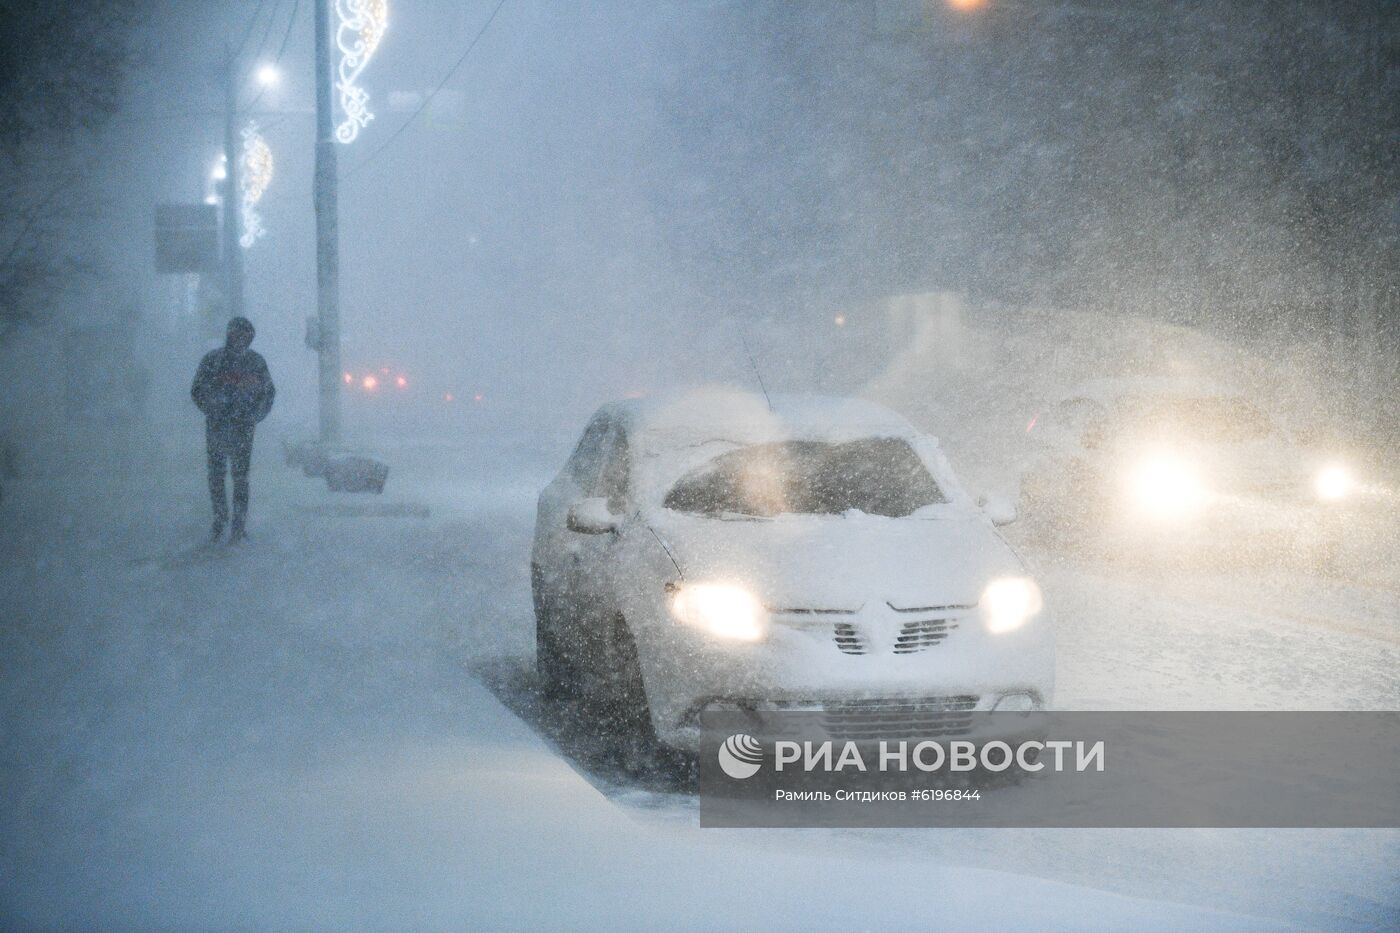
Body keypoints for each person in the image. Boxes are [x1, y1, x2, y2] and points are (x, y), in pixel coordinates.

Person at [191, 317, 275, 542]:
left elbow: (268, 393)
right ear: (229, 336)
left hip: (242, 429)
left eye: (244, 335)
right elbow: (197, 390)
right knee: (217, 476)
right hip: (218, 426)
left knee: (240, 478)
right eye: (236, 334)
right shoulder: (213, 360)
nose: (240, 339)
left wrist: (256, 415)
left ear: (249, 338)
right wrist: (212, 408)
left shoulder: (256, 363)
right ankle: (220, 519)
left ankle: (238, 525)